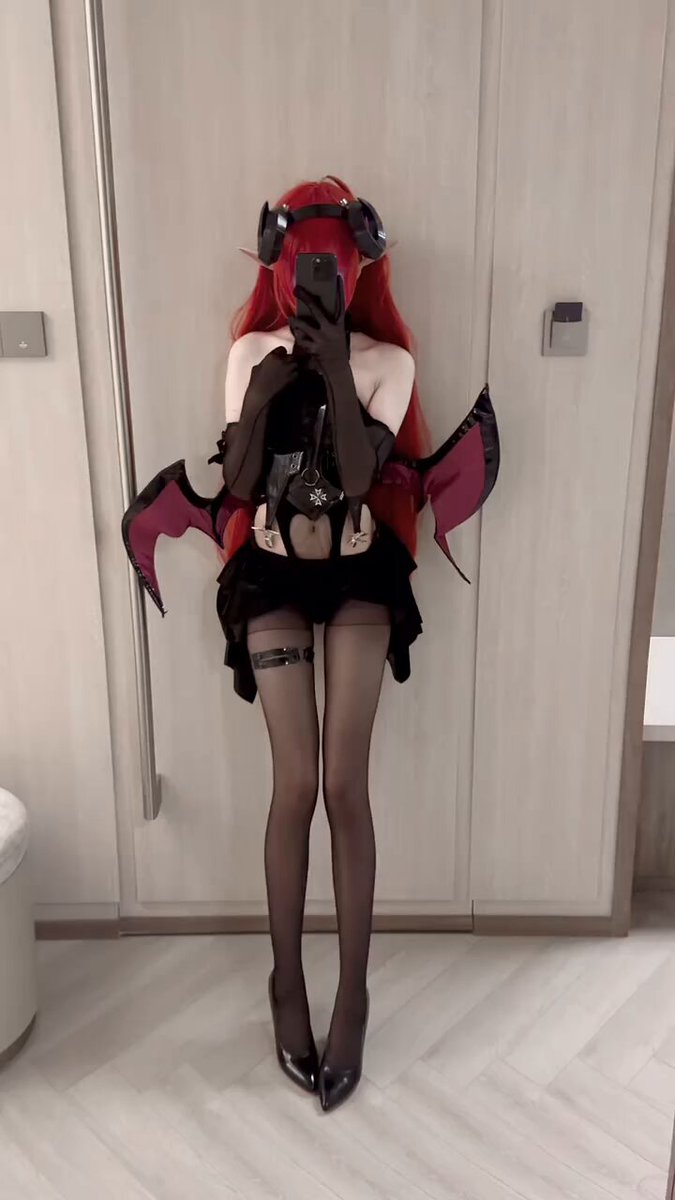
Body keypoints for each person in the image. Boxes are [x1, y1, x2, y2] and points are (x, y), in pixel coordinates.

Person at [120, 174, 499, 1113]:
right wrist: (265, 389)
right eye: (303, 266)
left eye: (332, 265)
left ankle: (353, 996)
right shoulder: (249, 350)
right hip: (272, 574)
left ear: (358, 267)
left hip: (361, 574)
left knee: (343, 787)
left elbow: (366, 478)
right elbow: (241, 482)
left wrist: (333, 368)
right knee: (294, 786)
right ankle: (286, 982)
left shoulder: (388, 363)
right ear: (282, 268)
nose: (317, 279)